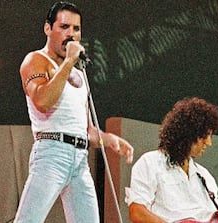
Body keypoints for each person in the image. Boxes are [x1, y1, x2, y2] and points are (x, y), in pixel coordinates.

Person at [14, 1, 134, 222]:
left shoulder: (80, 74)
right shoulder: (35, 61)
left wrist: (109, 139)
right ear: (48, 28)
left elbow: (86, 131)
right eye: (64, 27)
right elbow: (43, 101)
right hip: (51, 153)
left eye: (76, 29)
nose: (71, 34)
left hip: (79, 159)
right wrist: (69, 61)